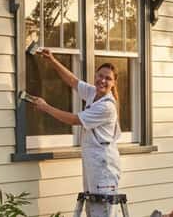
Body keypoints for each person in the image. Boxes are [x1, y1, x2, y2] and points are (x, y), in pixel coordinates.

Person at [27, 48, 121, 217]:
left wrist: (46, 107)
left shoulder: (106, 106)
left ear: (113, 83)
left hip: (103, 164)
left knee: (102, 212)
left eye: (108, 78)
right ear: (95, 76)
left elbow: (73, 120)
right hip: (92, 160)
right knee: (91, 209)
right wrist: (52, 60)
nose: (103, 80)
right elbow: (73, 81)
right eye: (100, 76)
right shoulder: (94, 93)